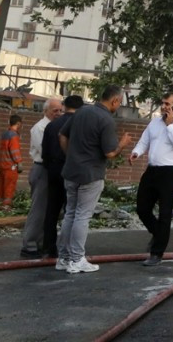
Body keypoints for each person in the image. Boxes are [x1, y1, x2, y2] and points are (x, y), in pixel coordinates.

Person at [57, 86, 133, 274]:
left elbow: (62, 135)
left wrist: (70, 157)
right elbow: (110, 153)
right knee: (82, 216)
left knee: (70, 213)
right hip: (90, 174)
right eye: (119, 102)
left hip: (71, 171)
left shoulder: (81, 111)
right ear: (115, 100)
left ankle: (64, 258)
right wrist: (122, 144)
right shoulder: (106, 119)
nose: (119, 106)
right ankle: (77, 259)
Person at [131, 91, 173, 266]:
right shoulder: (154, 122)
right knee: (142, 208)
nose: (164, 107)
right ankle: (159, 235)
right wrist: (136, 152)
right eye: (163, 103)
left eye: (167, 104)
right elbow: (144, 141)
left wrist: (170, 125)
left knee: (165, 213)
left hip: (170, 173)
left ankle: (157, 253)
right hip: (152, 171)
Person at [41, 95, 83, 259]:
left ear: (65, 106)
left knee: (51, 210)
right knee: (71, 211)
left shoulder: (52, 125)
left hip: (53, 169)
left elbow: (45, 152)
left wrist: (50, 167)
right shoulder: (79, 125)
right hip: (71, 171)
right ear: (81, 108)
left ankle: (48, 247)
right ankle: (69, 249)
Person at [20, 98, 63, 257]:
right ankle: (29, 245)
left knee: (47, 209)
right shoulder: (40, 128)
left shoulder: (53, 127)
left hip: (49, 169)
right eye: (55, 110)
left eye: (60, 110)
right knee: (39, 209)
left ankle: (40, 243)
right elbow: (45, 150)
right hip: (42, 168)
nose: (58, 113)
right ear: (46, 111)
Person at [0, 114, 23, 206]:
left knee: (1, 186)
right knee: (9, 186)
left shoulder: (5, 134)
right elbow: (14, 150)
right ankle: (6, 205)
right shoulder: (14, 135)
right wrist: (19, 162)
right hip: (10, 166)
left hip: (2, 164)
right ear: (18, 123)